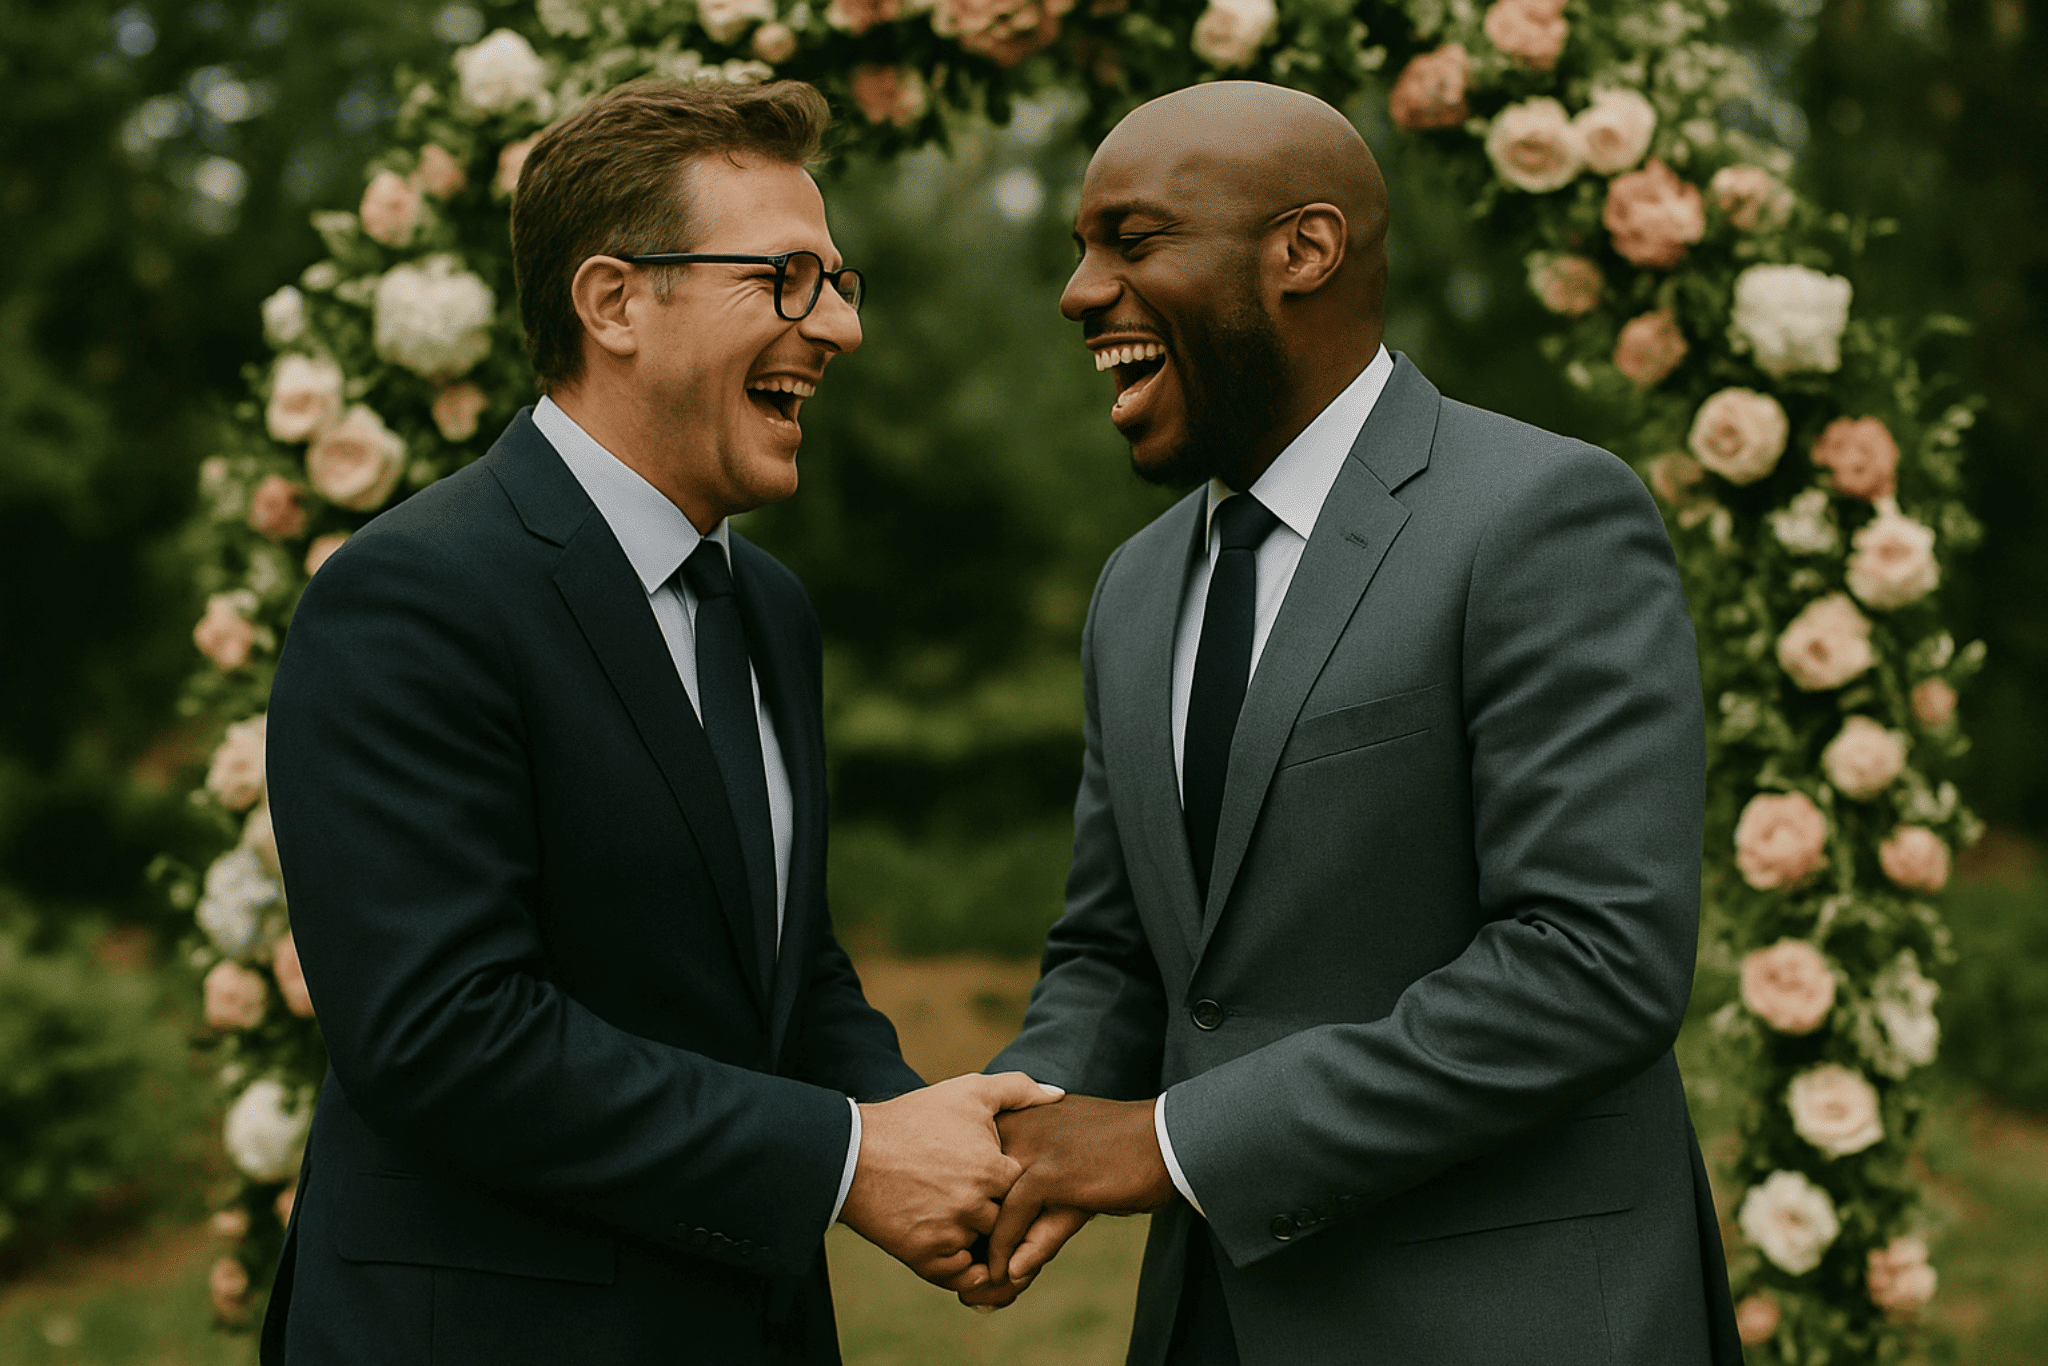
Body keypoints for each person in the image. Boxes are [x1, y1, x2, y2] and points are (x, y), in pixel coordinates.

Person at [260, 78, 1057, 1366]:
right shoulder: (413, 592)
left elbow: (772, 965)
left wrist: (931, 1129)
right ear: (614, 301)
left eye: (842, 282)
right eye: (790, 277)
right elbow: (442, 1033)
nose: (840, 326)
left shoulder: (770, 608)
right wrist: (846, 1160)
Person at [967, 81, 1744, 1365]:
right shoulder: (1136, 586)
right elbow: (1117, 948)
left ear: (1302, 250)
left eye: (1132, 238)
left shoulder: (1540, 516)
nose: (1079, 291)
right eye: (1077, 249)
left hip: (1505, 1321)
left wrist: (1165, 1143)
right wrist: (1007, 1126)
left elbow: (1587, 963)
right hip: (1212, 1323)